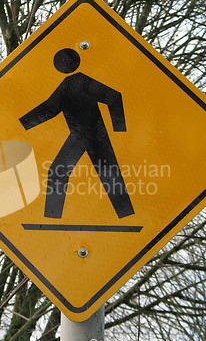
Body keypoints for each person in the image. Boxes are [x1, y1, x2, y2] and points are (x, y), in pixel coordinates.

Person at [19, 48, 134, 219]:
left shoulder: (81, 81)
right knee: (60, 171)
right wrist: (21, 124)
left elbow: (114, 96)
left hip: (95, 134)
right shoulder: (69, 84)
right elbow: (49, 109)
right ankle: (52, 218)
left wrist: (119, 129)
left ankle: (126, 215)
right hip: (79, 135)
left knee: (106, 172)